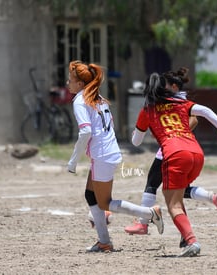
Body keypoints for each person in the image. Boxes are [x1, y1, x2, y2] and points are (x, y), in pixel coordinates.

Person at [131, 72, 217, 257]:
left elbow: (136, 142)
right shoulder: (180, 103)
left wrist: (138, 131)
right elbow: (205, 111)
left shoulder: (147, 110)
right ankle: (186, 236)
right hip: (196, 154)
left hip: (175, 154)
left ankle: (191, 241)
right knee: (178, 195)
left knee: (173, 202)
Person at [66, 60, 164, 253]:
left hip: (103, 155)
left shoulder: (80, 100)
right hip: (105, 152)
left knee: (104, 202)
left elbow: (85, 132)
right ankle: (104, 241)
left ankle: (150, 213)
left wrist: (73, 160)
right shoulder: (96, 96)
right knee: (90, 194)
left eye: (70, 80)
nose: (67, 83)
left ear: (79, 84)